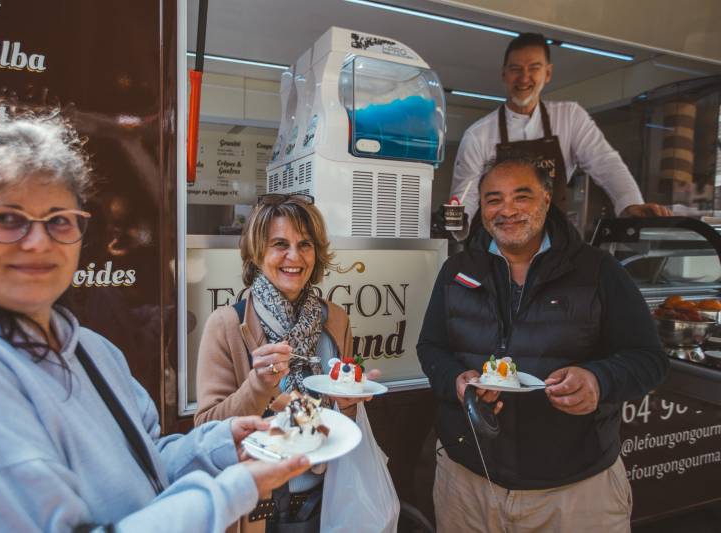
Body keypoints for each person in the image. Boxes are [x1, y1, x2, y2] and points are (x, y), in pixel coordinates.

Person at [0, 115, 311, 532]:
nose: (38, 242)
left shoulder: (90, 348)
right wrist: (231, 491)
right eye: (6, 219)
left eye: (58, 220)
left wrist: (219, 445)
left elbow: (148, 463)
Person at [417, 153, 669, 532]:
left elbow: (649, 359)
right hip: (467, 481)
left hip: (574, 492)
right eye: (493, 199)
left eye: (522, 196)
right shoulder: (458, 271)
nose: (507, 210)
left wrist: (598, 380)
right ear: (481, 208)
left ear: (547, 200)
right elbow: (431, 346)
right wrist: (455, 379)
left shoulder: (598, 271)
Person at [194, 194, 381, 533]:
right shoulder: (226, 325)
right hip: (258, 509)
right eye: (280, 244)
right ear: (257, 252)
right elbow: (206, 429)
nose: (294, 257)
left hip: (328, 501)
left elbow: (340, 419)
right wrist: (258, 386)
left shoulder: (335, 319)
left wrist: (349, 403)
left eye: (304, 244)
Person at [450, 32, 670, 238]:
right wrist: (458, 225)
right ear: (504, 74)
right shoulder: (478, 134)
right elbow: (466, 194)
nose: (524, 77)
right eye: (516, 69)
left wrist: (630, 203)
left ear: (547, 73)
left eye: (533, 68)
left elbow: (605, 162)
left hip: (555, 243)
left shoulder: (570, 117)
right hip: (500, 243)